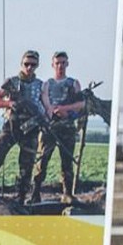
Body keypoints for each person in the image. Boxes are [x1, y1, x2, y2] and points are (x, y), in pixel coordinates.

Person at [0, 50, 46, 204]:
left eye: (33, 64)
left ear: (37, 65)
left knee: (27, 165)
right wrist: (9, 103)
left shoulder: (41, 85)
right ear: (21, 64)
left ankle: (21, 197)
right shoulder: (12, 82)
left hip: (31, 128)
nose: (29, 67)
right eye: (26, 64)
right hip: (12, 125)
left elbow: (46, 105)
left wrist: (44, 117)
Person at [30, 51, 84, 203]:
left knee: (67, 162)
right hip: (50, 128)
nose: (60, 65)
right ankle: (35, 193)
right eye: (57, 62)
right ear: (53, 64)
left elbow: (80, 105)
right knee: (42, 160)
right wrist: (53, 110)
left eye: (63, 62)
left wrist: (65, 109)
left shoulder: (73, 83)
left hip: (67, 128)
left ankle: (67, 194)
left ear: (67, 64)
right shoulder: (47, 84)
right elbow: (46, 104)